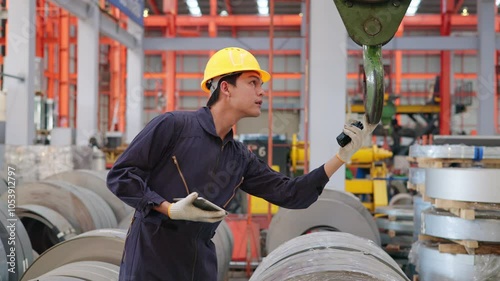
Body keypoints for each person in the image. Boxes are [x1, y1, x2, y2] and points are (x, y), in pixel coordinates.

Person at [106, 47, 378, 281]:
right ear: (225, 87)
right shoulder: (173, 127)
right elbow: (121, 176)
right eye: (252, 83)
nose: (261, 92)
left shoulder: (239, 158)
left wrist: (341, 156)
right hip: (151, 261)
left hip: (199, 265)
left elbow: (292, 194)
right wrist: (169, 209)